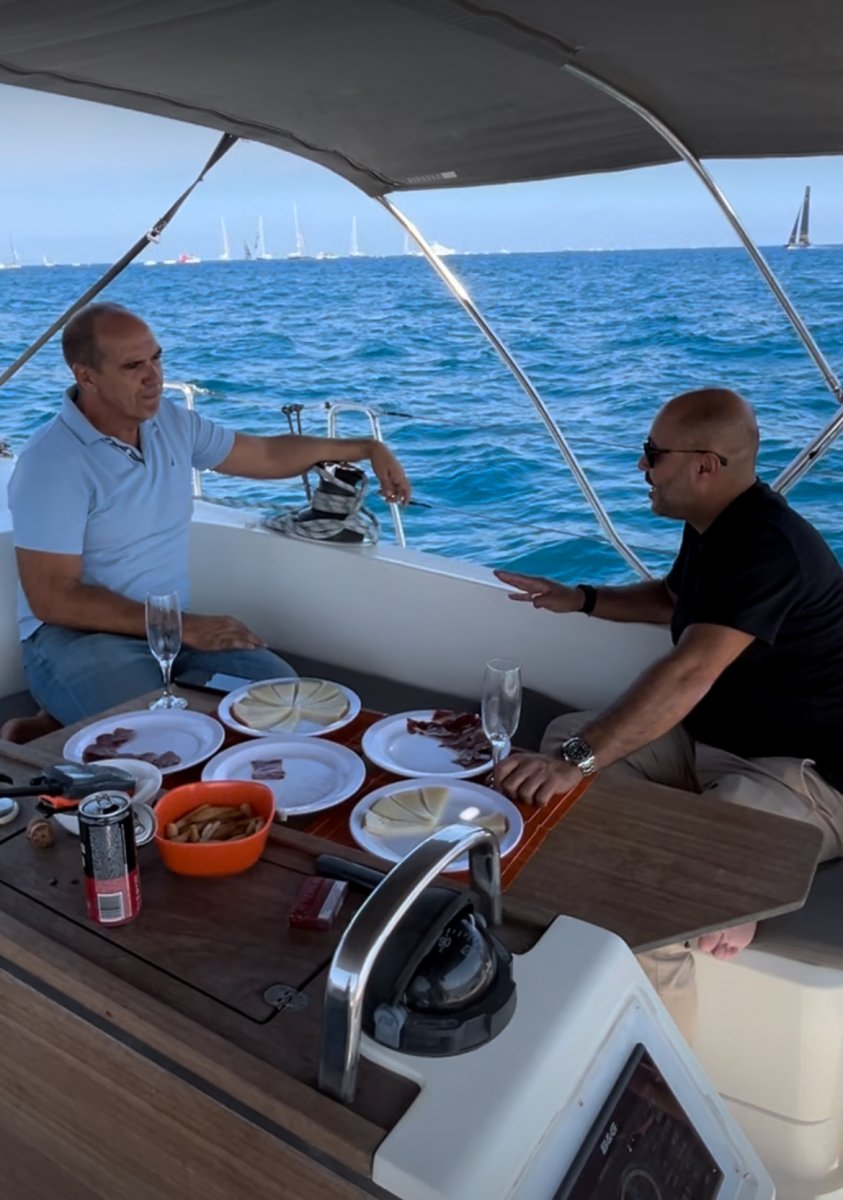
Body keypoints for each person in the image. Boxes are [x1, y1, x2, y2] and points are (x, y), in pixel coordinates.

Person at [495, 387, 843, 1039]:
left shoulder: (770, 547)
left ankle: (658, 1070)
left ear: (704, 465)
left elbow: (689, 671)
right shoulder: (714, 525)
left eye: (651, 453)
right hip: (713, 746)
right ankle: (708, 868)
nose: (641, 467)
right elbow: (673, 600)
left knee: (654, 894)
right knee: (565, 736)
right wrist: (582, 598)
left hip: (800, 776)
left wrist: (576, 763)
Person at [5, 302, 411, 734]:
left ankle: (54, 723)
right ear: (86, 376)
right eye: (133, 366)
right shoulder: (53, 462)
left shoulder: (170, 423)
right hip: (76, 639)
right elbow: (54, 598)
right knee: (164, 734)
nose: (154, 377)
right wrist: (184, 626)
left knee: (285, 701)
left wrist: (365, 447)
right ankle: (50, 722)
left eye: (156, 358)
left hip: (173, 633)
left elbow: (264, 454)